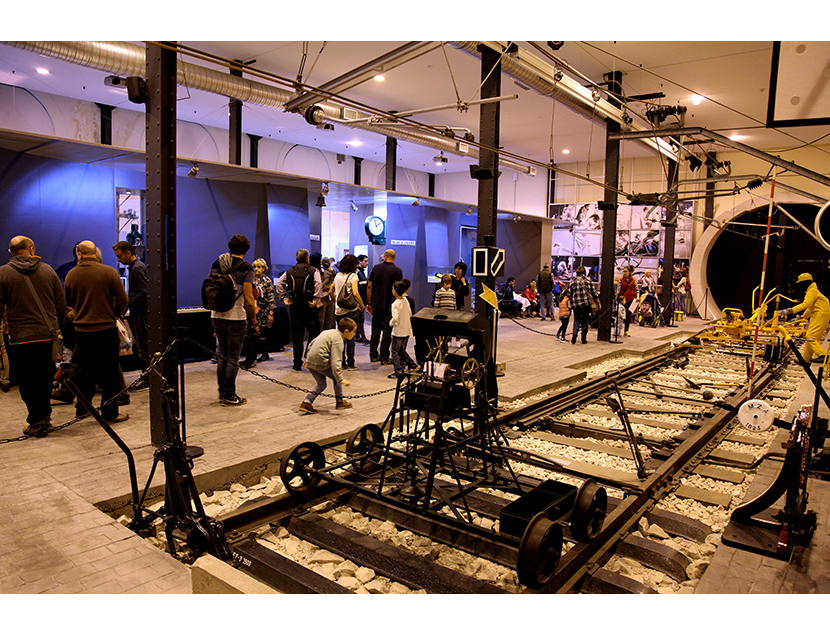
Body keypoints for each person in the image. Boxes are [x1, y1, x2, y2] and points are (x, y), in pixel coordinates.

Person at [0, 236, 67, 437]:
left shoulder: (3, 274)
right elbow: (60, 305)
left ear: (11, 252)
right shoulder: (48, 271)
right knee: (45, 378)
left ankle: (37, 421)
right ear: (32, 249)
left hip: (21, 338)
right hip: (47, 336)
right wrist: (59, 329)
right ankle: (44, 416)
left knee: (27, 382)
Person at [65, 240, 129, 423]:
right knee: (109, 372)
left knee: (85, 371)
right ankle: (110, 412)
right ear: (95, 253)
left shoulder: (71, 275)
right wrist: (114, 314)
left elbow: (68, 301)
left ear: (79, 253)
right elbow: (123, 299)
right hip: (106, 329)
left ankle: (82, 409)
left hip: (82, 331)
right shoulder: (109, 272)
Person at [207, 234, 257, 406]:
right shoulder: (246, 268)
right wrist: (254, 320)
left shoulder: (217, 263)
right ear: (246, 249)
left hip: (216, 314)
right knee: (233, 358)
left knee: (222, 355)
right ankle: (229, 394)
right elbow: (249, 299)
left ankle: (222, 391)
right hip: (236, 316)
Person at [276, 249, 322, 371]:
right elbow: (318, 284)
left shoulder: (290, 271)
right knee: (314, 332)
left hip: (295, 306)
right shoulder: (313, 270)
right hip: (309, 305)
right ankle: (309, 358)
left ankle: (297, 363)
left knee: (297, 335)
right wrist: (315, 299)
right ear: (307, 258)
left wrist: (284, 298)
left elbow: (279, 284)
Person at [299, 317, 356, 414]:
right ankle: (339, 402)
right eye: (354, 332)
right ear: (346, 331)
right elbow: (336, 361)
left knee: (321, 384)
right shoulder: (338, 341)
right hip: (321, 362)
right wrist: (341, 379)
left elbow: (311, 344)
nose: (354, 334)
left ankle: (306, 402)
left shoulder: (328, 331)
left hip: (311, 362)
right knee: (336, 378)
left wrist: (307, 358)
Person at [112, 241, 149, 389]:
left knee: (143, 347)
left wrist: (125, 302)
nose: (118, 260)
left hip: (141, 314)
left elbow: (144, 292)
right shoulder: (135, 268)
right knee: (142, 347)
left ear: (128, 253)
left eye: (120, 256)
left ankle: (148, 378)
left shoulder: (137, 269)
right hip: (138, 313)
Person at [779, 272, 830, 363]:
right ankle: (806, 360)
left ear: (804, 283)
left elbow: (806, 304)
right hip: (819, 315)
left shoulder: (812, 291)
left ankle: (823, 356)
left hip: (820, 315)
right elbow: (810, 308)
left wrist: (790, 310)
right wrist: (802, 318)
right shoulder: (813, 291)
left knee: (810, 337)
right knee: (811, 338)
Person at [367, 249, 403, 365]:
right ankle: (384, 357)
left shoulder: (376, 268)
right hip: (389, 305)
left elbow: (369, 286)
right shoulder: (398, 271)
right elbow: (398, 289)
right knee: (387, 332)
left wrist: (369, 302)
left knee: (375, 330)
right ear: (394, 257)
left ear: (385, 257)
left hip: (376, 304)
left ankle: (373, 355)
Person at [240, 258, 275, 369]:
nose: (256, 269)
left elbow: (270, 298)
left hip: (264, 310)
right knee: (251, 334)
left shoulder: (267, 281)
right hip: (253, 309)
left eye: (259, 267)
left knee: (262, 333)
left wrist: (271, 313)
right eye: (255, 267)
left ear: (264, 268)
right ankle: (251, 356)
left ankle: (264, 354)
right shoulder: (251, 279)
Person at [332, 254, 365, 370]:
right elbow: (355, 293)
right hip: (351, 310)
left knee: (340, 336)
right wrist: (361, 305)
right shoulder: (353, 277)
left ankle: (341, 362)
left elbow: (331, 290)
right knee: (351, 336)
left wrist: (334, 300)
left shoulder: (337, 276)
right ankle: (350, 362)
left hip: (339, 310)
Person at [389, 280, 419, 377]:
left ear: (395, 291)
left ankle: (397, 371)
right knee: (401, 350)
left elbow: (395, 318)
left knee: (395, 351)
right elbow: (410, 313)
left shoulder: (395, 303)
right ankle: (412, 364)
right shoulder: (405, 301)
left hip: (398, 331)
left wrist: (391, 323)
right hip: (406, 329)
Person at [568, 266, 598, 344]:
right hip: (586, 305)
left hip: (576, 305)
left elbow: (569, 294)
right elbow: (594, 294)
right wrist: (598, 303)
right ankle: (583, 338)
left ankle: (575, 332)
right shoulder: (589, 281)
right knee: (585, 320)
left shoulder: (573, 282)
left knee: (577, 320)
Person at [618, 266, 638, 337]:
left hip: (631, 299)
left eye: (626, 271)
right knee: (621, 315)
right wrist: (617, 299)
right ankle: (618, 330)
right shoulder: (621, 280)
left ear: (630, 272)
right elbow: (618, 290)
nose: (624, 273)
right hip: (623, 300)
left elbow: (637, 289)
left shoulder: (633, 280)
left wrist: (637, 297)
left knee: (628, 315)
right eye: (624, 271)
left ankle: (626, 330)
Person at [355, 254, 369, 342]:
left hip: (362, 300)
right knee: (360, 319)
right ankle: (361, 337)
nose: (367, 263)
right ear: (360, 261)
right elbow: (361, 288)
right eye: (365, 261)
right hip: (359, 300)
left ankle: (359, 336)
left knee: (360, 319)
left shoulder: (361, 272)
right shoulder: (358, 273)